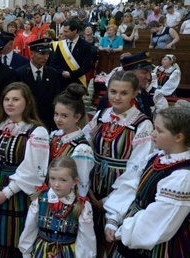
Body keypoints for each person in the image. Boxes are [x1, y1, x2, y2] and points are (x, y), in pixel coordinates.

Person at [83, 71, 154, 257]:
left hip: (122, 186)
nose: (117, 97)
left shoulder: (142, 124)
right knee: (92, 233)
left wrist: (109, 200)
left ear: (134, 94)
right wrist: (86, 186)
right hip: (94, 181)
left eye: (124, 93)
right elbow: (84, 145)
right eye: (113, 91)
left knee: (112, 236)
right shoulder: (101, 115)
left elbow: (138, 166)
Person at [0, 82, 50, 258]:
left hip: (17, 191)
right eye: (6, 99)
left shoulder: (37, 131)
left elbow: (33, 169)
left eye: (15, 99)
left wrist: (6, 193)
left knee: (13, 243)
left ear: (27, 103)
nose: (9, 103)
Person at [104, 106, 190, 257]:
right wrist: (114, 217)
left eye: (159, 130)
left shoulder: (183, 176)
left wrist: (122, 232)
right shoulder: (155, 157)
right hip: (130, 230)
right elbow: (131, 186)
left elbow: (158, 220)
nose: (152, 134)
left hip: (156, 241)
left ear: (178, 137)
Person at [18, 156, 96, 258]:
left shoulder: (82, 206)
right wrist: (26, 253)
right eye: (52, 178)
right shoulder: (41, 199)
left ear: (74, 181)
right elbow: (30, 228)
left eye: (63, 180)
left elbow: (86, 239)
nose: (56, 184)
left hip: (67, 253)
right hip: (41, 252)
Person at [50, 84, 94, 197]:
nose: (58, 119)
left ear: (77, 117)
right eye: (56, 114)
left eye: (64, 116)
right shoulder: (53, 136)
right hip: (49, 193)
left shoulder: (81, 149)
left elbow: (82, 182)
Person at [98, 51, 169, 119]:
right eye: (144, 72)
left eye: (150, 73)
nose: (149, 77)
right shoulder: (109, 100)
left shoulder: (143, 93)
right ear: (129, 73)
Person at [16, 38, 60, 132]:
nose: (46, 57)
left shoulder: (52, 74)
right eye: (42, 54)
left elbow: (56, 97)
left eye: (48, 54)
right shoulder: (20, 73)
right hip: (26, 119)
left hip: (46, 121)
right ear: (32, 54)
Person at [51, 20, 93, 90]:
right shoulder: (61, 44)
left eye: (66, 31)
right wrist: (61, 72)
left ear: (75, 31)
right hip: (61, 82)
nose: (64, 34)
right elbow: (54, 62)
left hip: (76, 82)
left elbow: (86, 66)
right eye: (63, 31)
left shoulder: (85, 46)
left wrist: (71, 74)